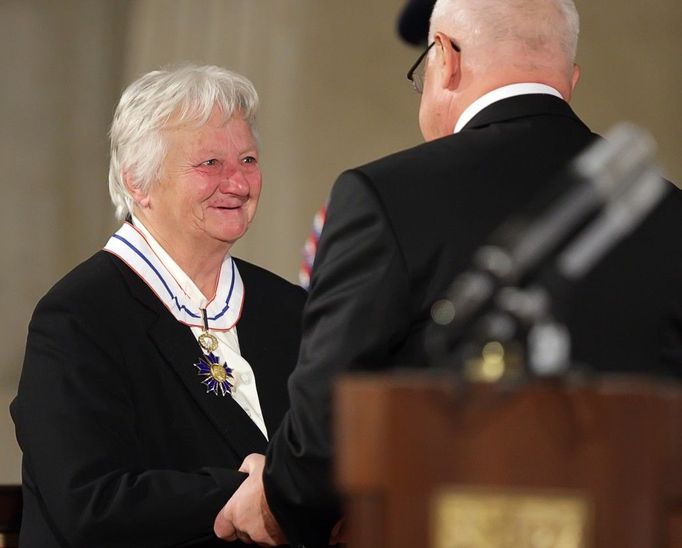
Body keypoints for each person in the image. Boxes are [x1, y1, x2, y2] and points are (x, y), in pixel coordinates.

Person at [215, 0, 682, 545]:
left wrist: (278, 500)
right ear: (569, 79)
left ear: (446, 60)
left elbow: (330, 420)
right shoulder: (669, 214)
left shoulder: (385, 197)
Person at [11, 64, 306, 547]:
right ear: (138, 183)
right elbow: (90, 503)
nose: (237, 183)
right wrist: (249, 494)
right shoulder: (76, 318)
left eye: (248, 160)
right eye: (210, 163)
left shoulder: (289, 309)